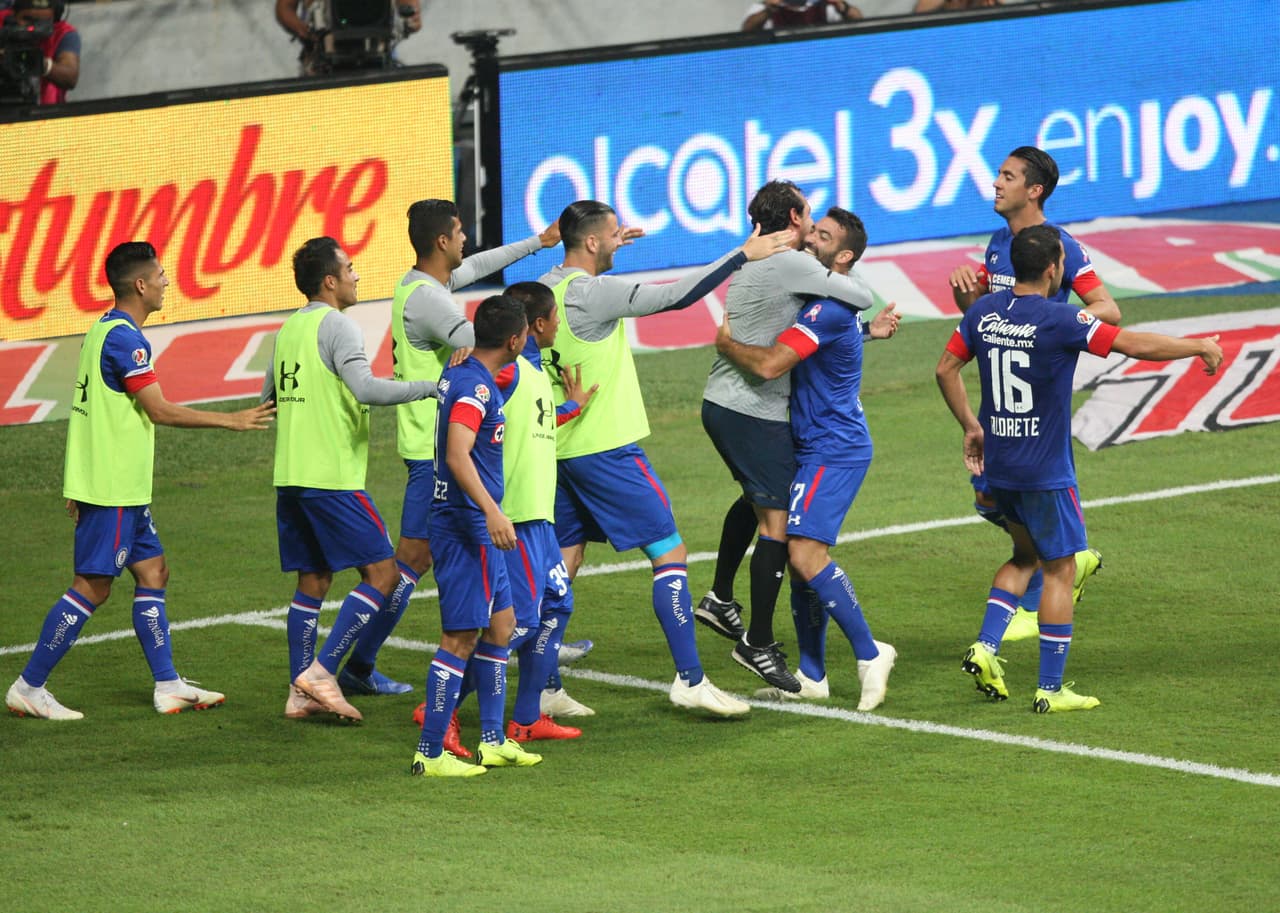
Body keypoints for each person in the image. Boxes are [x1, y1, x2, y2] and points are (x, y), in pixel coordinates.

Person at [936, 224, 1222, 711]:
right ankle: (1050, 690)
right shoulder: (1061, 319)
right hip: (1045, 471)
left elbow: (945, 368)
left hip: (999, 466)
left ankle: (986, 645)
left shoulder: (982, 312)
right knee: (1062, 570)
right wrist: (1197, 346)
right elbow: (1133, 344)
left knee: (1023, 559)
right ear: (1054, 269)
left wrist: (971, 424)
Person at [539, 200, 795, 718]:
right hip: (606, 450)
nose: (618, 241)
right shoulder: (593, 293)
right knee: (670, 554)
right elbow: (676, 296)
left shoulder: (548, 288)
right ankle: (691, 680)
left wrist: (609, 239)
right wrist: (741, 255)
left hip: (559, 450)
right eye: (611, 236)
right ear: (590, 243)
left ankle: (543, 685)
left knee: (565, 561)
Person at [5, 242, 274, 721]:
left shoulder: (101, 331)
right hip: (112, 488)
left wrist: (75, 480)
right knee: (92, 586)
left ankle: (168, 684)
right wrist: (230, 421)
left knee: (154, 572)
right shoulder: (126, 341)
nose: (168, 282)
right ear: (140, 284)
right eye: (162, 275)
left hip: (117, 485)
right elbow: (159, 409)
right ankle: (30, 685)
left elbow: (87, 413)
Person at [336, 199, 560, 698]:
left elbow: (478, 267)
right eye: (460, 233)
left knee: (413, 562)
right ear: (442, 241)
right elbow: (492, 345)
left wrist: (537, 244)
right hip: (431, 450)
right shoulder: (431, 301)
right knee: (406, 565)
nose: (466, 241)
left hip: (428, 444)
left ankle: (359, 664)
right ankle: (345, 666)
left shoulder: (420, 283)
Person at [713, 208, 900, 711]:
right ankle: (813, 675)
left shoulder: (828, 308)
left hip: (834, 449)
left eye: (821, 235)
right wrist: (870, 334)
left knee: (804, 556)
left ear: (841, 256)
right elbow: (835, 343)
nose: (808, 238)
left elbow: (774, 362)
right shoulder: (829, 299)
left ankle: (870, 652)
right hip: (815, 444)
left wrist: (728, 345)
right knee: (800, 564)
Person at [947, 146, 1122, 643]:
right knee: (991, 502)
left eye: (1008, 176)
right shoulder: (997, 245)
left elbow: (1106, 309)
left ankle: (1052, 575)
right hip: (997, 403)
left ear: (1035, 189)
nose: (996, 183)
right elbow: (990, 315)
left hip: (1037, 403)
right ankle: (1065, 560)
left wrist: (1061, 323)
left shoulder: (1060, 246)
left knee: (1014, 501)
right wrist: (971, 304)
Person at [267, 236, 438, 723]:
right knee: (382, 574)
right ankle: (322, 674)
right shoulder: (338, 325)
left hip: (291, 473)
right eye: (349, 268)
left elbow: (272, 394)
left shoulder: (288, 329)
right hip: (332, 476)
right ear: (329, 281)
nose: (357, 275)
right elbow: (365, 387)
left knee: (314, 580)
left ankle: (301, 691)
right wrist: (431, 387)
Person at [411, 294, 542, 778]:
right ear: (515, 340)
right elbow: (457, 454)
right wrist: (492, 512)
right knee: (460, 637)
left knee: (501, 626)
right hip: (466, 524)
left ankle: (492, 740)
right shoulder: (475, 389)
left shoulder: (461, 371)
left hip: (475, 525)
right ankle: (430, 752)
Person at [494, 281, 597, 741]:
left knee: (557, 604)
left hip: (539, 516)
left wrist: (571, 407)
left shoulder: (532, 368)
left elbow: (535, 419)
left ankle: (526, 718)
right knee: (514, 625)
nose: (561, 323)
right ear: (535, 325)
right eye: (555, 316)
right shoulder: (507, 370)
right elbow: (462, 397)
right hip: (513, 516)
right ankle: (443, 707)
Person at [0, 0, 80, 105]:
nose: (33, 28)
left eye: (43, 22)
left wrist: (40, 64)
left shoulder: (63, 33)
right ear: (13, 14)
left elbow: (70, 76)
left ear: (55, 17)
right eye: (27, 19)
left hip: (45, 113)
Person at [741, 0, 861, 31]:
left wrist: (842, 6)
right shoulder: (767, 8)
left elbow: (858, 20)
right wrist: (768, 10)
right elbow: (747, 30)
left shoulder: (823, 7)